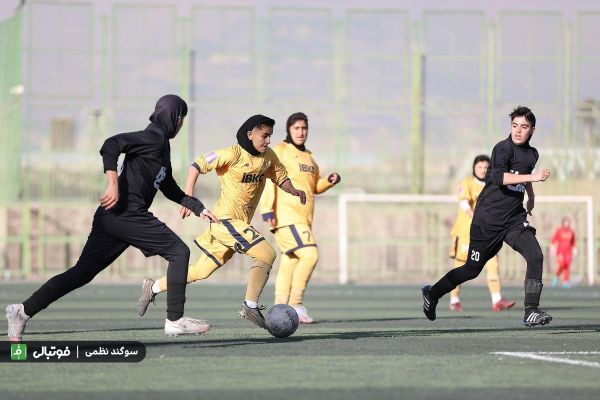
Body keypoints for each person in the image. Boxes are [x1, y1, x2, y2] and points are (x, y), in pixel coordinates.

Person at [6, 95, 218, 341]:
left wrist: (197, 207)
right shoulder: (153, 137)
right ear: (176, 118)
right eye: (182, 119)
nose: (181, 125)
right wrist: (112, 183)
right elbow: (111, 144)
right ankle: (175, 320)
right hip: (127, 214)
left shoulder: (161, 148)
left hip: (112, 217)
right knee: (179, 252)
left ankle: (22, 311)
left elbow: (169, 187)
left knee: (82, 272)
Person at [138, 114, 306, 329]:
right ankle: (250, 305)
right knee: (267, 253)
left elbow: (281, 177)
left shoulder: (268, 157)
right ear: (250, 134)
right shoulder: (232, 154)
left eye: (270, 136)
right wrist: (188, 197)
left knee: (200, 271)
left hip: (234, 225)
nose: (268, 140)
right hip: (226, 221)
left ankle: (152, 287)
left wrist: (294, 191)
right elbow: (196, 165)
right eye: (264, 135)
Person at [421, 106, 553, 327]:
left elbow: (523, 177)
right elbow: (501, 178)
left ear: (532, 130)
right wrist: (535, 177)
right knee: (471, 270)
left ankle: (530, 310)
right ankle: (432, 294)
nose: (518, 131)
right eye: (514, 126)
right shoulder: (502, 149)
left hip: (513, 219)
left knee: (536, 255)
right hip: (487, 221)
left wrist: (530, 195)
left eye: (524, 127)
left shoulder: (532, 154)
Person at [259, 112, 340, 323]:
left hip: (303, 219)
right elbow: (269, 179)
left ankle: (280, 307)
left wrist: (328, 181)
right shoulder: (281, 151)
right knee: (310, 254)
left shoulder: (309, 158)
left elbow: (314, 186)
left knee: (291, 260)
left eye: (304, 128)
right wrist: (267, 209)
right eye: (297, 128)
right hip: (287, 216)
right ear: (289, 129)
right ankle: (296, 304)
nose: (301, 132)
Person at [448, 155, 515, 312]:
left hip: (487, 234)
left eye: (486, 167)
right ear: (474, 168)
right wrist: (477, 220)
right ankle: (454, 298)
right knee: (461, 266)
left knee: (493, 263)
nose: (483, 170)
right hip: (466, 233)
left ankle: (497, 299)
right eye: (480, 167)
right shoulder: (468, 183)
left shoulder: (493, 185)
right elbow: (464, 204)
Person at [550, 217, 577, 288]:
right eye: (565, 222)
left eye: (568, 222)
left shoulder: (571, 232)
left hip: (568, 252)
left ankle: (566, 282)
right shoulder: (559, 231)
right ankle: (556, 277)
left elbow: (573, 243)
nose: (567, 224)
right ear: (563, 223)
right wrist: (552, 250)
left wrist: (574, 250)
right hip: (560, 252)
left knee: (567, 266)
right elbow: (553, 241)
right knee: (562, 264)